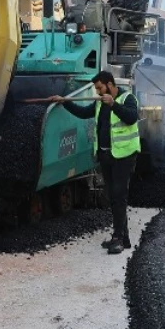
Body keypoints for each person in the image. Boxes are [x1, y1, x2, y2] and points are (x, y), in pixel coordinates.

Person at [48, 71, 140, 255]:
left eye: (99, 87)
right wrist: (64, 102)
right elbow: (83, 113)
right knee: (114, 197)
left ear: (110, 84)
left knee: (118, 196)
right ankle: (124, 238)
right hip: (106, 156)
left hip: (124, 156)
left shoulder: (127, 98)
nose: (97, 91)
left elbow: (131, 117)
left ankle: (118, 238)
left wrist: (113, 104)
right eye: (96, 89)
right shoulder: (99, 104)